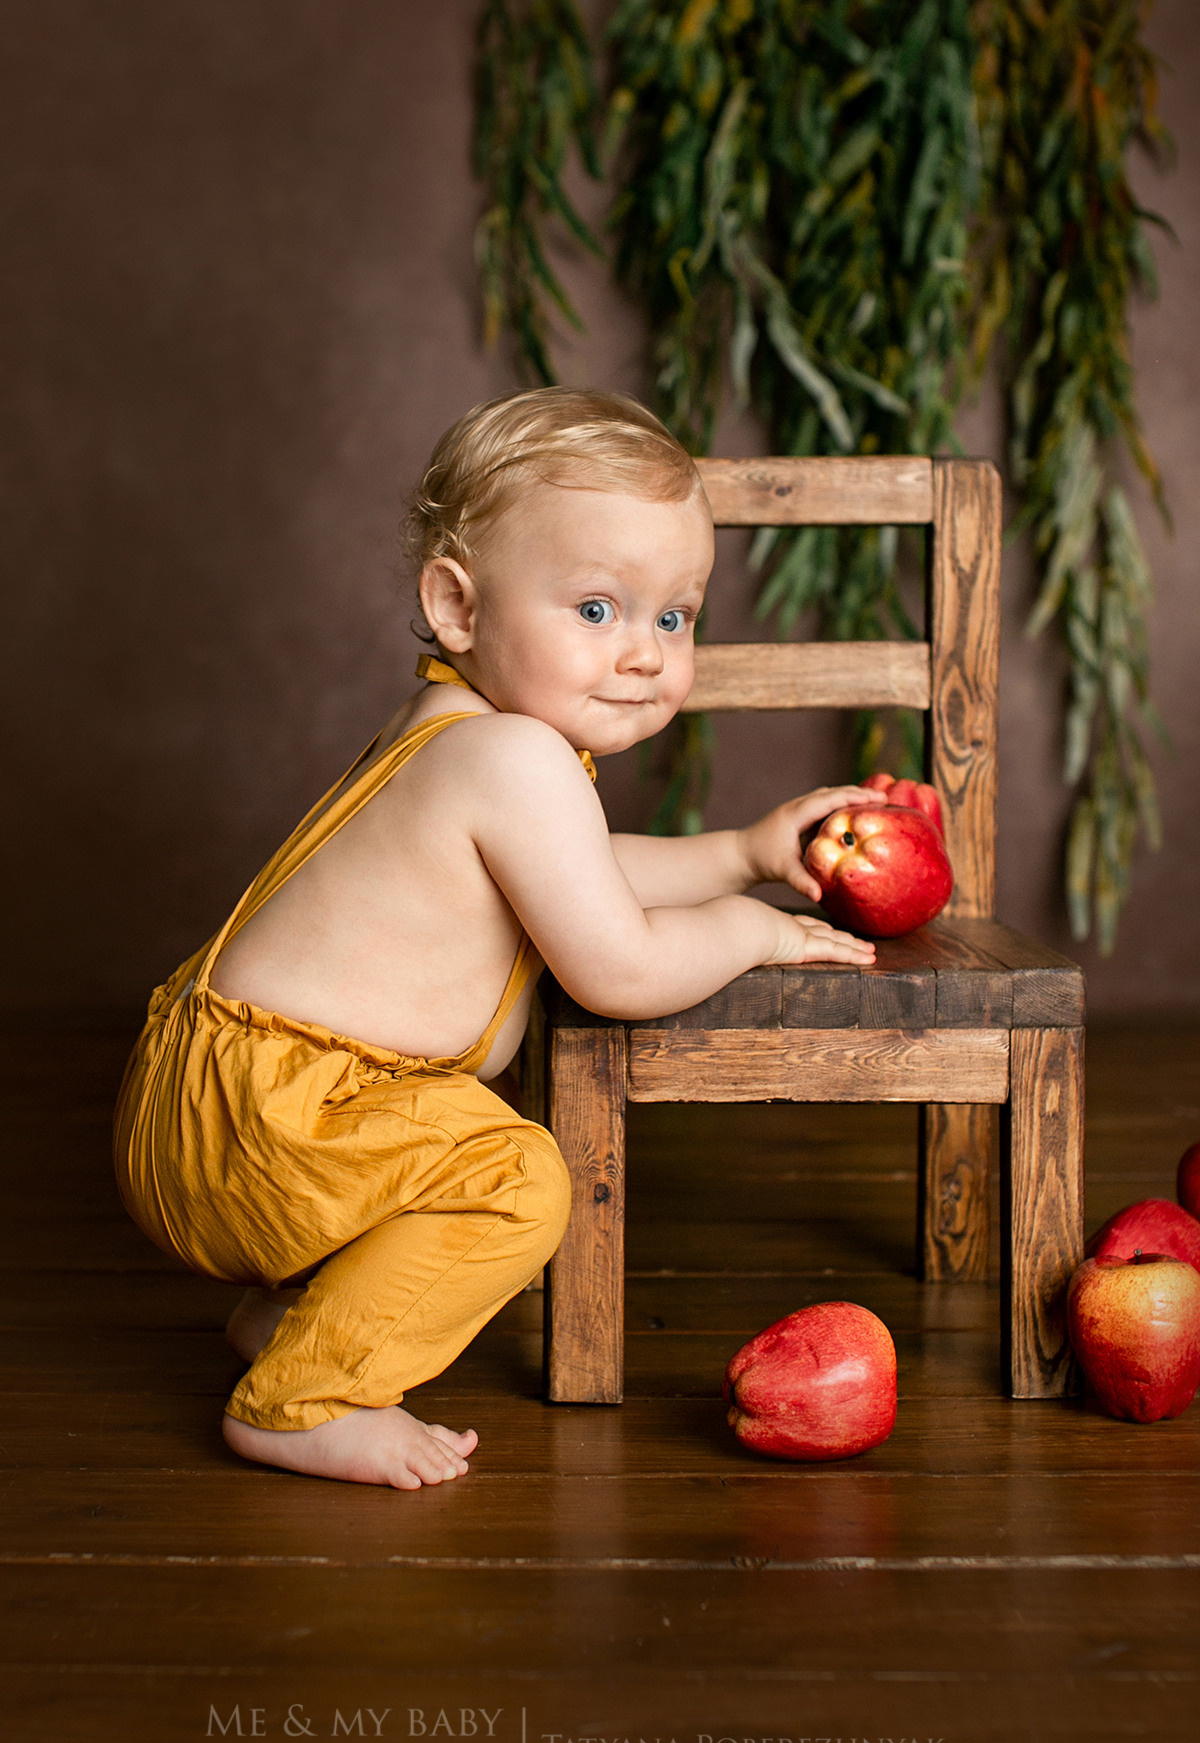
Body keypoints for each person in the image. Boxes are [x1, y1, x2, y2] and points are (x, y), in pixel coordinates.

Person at [114, 387, 881, 1491]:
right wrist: (747, 930)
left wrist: (746, 849)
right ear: (458, 607)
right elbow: (618, 966)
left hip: (223, 1089)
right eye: (598, 609)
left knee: (452, 1128)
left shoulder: (464, 731)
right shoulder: (515, 760)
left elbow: (583, 873)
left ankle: (295, 1316)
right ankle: (301, 1401)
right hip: (274, 1120)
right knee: (515, 1176)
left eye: (675, 617)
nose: (644, 655)